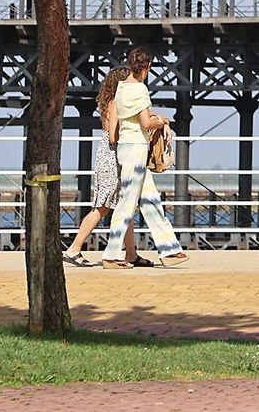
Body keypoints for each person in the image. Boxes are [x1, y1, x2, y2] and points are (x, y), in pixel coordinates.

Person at [100, 48, 189, 268]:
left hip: (126, 148)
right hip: (136, 148)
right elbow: (146, 123)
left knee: (151, 200)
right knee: (127, 202)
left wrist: (158, 120)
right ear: (147, 67)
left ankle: (169, 250)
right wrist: (163, 122)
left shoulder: (121, 88)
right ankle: (110, 255)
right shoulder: (140, 89)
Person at [63, 67, 141, 267]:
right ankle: (74, 248)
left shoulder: (110, 102)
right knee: (102, 206)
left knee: (127, 205)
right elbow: (114, 136)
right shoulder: (115, 103)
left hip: (113, 154)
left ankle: (131, 253)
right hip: (112, 155)